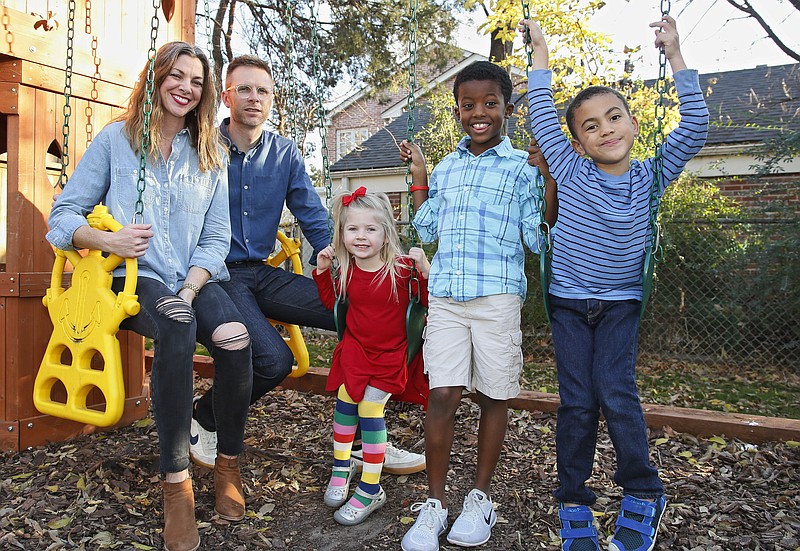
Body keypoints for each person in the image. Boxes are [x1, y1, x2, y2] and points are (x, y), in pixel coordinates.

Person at [47, 42, 253, 551]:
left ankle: (228, 462)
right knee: (178, 326)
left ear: (205, 94)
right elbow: (62, 217)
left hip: (193, 276)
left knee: (234, 338)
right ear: (157, 77)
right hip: (132, 277)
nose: (185, 87)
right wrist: (106, 240)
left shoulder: (210, 152)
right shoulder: (117, 141)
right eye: (176, 76)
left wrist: (189, 286)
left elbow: (216, 236)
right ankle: (176, 484)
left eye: (197, 81)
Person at [519, 14, 709, 551]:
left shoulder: (652, 175)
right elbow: (539, 113)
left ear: (631, 121)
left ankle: (643, 493)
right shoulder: (572, 169)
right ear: (577, 141)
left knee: (617, 394)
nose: (607, 130)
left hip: (622, 304)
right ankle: (574, 502)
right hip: (568, 305)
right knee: (577, 401)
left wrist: (674, 54)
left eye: (615, 117)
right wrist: (540, 51)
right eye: (592, 126)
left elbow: (694, 127)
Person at [188, 55, 425, 475]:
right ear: (225, 96)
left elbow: (313, 216)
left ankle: (361, 440)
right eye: (244, 89)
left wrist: (342, 262)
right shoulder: (201, 146)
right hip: (215, 274)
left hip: (259, 271)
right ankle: (203, 417)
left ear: (272, 99)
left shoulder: (283, 153)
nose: (254, 98)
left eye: (262, 90)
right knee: (273, 361)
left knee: (359, 313)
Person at [398, 60, 558, 551]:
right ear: (458, 111)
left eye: (490, 103)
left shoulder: (520, 168)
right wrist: (421, 176)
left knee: (493, 395)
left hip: (497, 298)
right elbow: (426, 229)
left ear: (508, 109)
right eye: (468, 105)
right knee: (442, 395)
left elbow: (539, 234)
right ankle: (435, 503)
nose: (479, 113)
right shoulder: (448, 167)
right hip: (447, 297)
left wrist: (548, 176)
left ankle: (480, 496)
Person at [312, 187, 431, 526]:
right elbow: (330, 303)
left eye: (370, 229)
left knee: (369, 407)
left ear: (386, 232)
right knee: (345, 401)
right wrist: (322, 270)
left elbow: (426, 301)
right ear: (342, 234)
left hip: (391, 355)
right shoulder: (345, 269)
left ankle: (370, 489)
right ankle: (342, 466)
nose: (361, 237)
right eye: (352, 229)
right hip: (357, 349)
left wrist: (425, 269)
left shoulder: (402, 269)